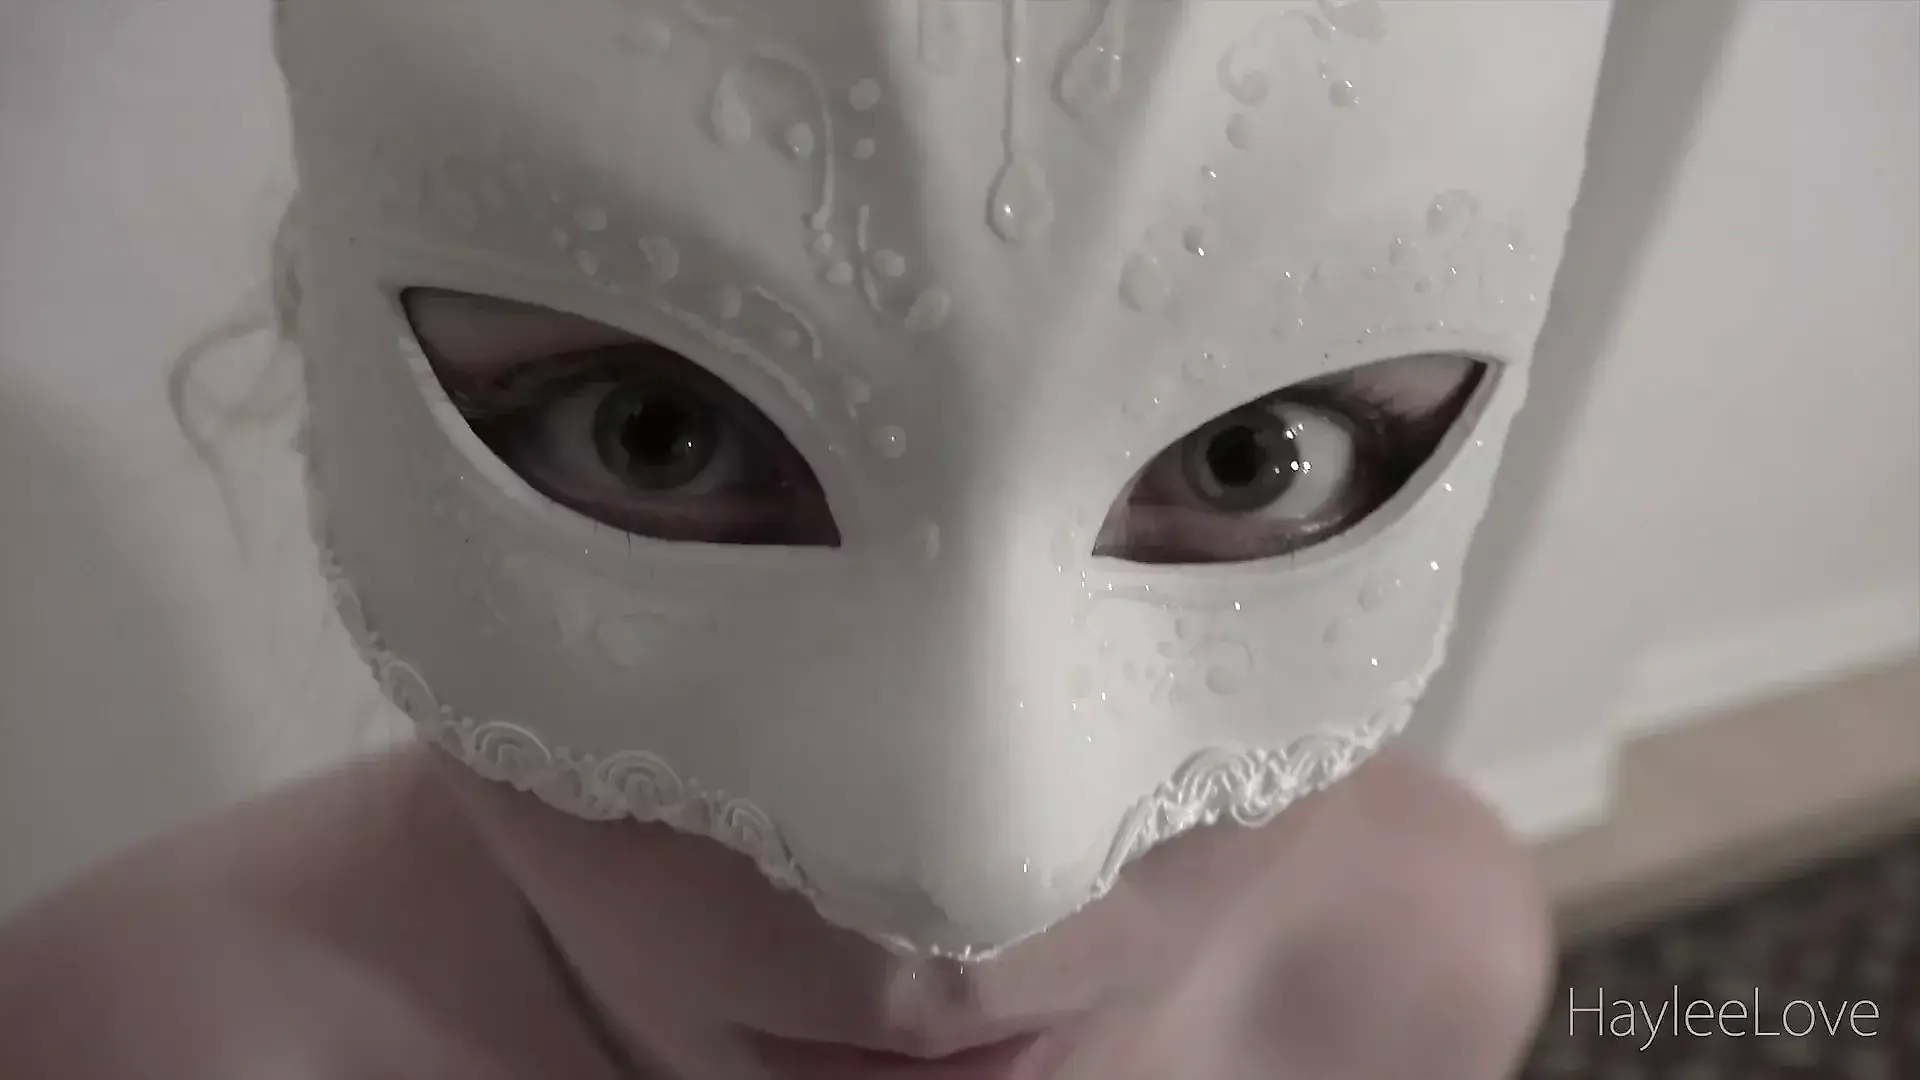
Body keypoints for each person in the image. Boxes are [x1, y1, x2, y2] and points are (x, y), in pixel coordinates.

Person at [0, 1, 1612, 1077]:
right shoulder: (117, 1040)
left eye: (1247, 460)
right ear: (310, 334)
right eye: (656, 432)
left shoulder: (1408, 978)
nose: (968, 881)